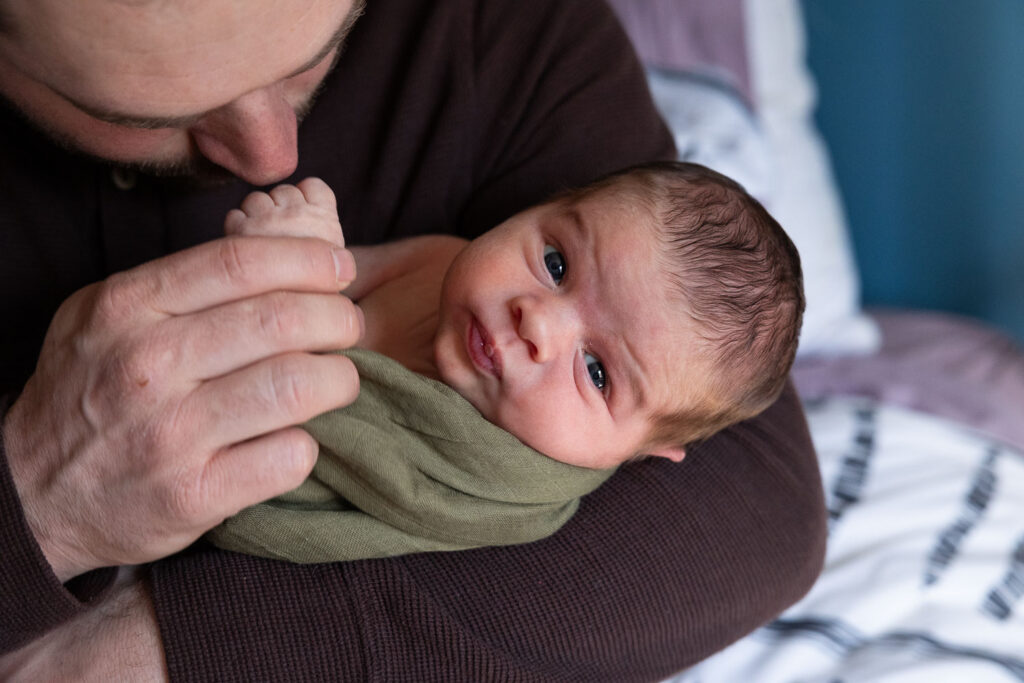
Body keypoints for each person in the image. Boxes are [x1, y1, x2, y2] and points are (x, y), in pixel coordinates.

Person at [0, 0, 827, 679]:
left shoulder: (500, 35)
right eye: (142, 113)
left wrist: (162, 647)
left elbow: (761, 504)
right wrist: (40, 508)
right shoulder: (447, 270)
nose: (270, 155)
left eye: (314, 58)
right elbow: (336, 277)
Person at [207, 161, 805, 564]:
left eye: (597, 372)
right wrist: (295, 255)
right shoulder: (439, 260)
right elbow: (322, 278)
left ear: (642, 450)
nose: (538, 322)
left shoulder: (498, 486)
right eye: (556, 263)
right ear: (544, 207)